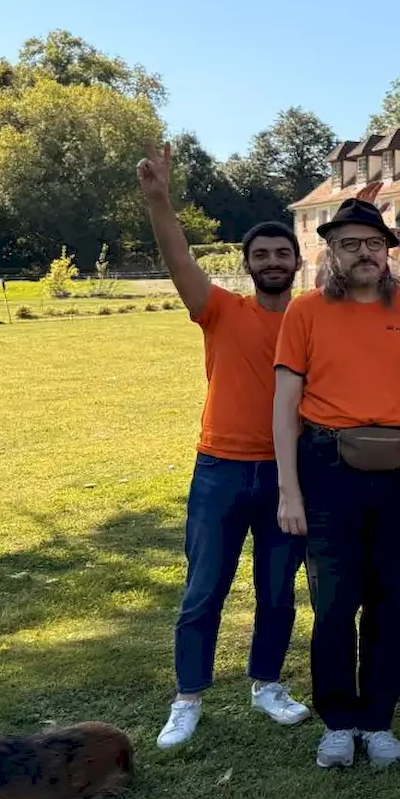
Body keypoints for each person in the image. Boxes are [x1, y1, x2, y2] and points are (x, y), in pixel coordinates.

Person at [139, 143, 311, 750]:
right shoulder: (220, 309)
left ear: (296, 262)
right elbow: (178, 256)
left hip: (287, 474)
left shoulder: (312, 318)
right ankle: (187, 697)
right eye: (261, 254)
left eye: (281, 253)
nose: (271, 261)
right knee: (204, 587)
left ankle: (266, 683)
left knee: (276, 588)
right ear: (247, 265)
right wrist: (161, 202)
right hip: (220, 469)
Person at [273, 197, 400, 770]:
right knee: (334, 601)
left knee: (394, 600)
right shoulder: (305, 313)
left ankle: (377, 721)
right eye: (350, 243)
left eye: (373, 243)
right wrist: (289, 490)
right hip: (327, 468)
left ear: (389, 250)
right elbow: (285, 403)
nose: (364, 253)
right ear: (332, 251)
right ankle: (337, 722)